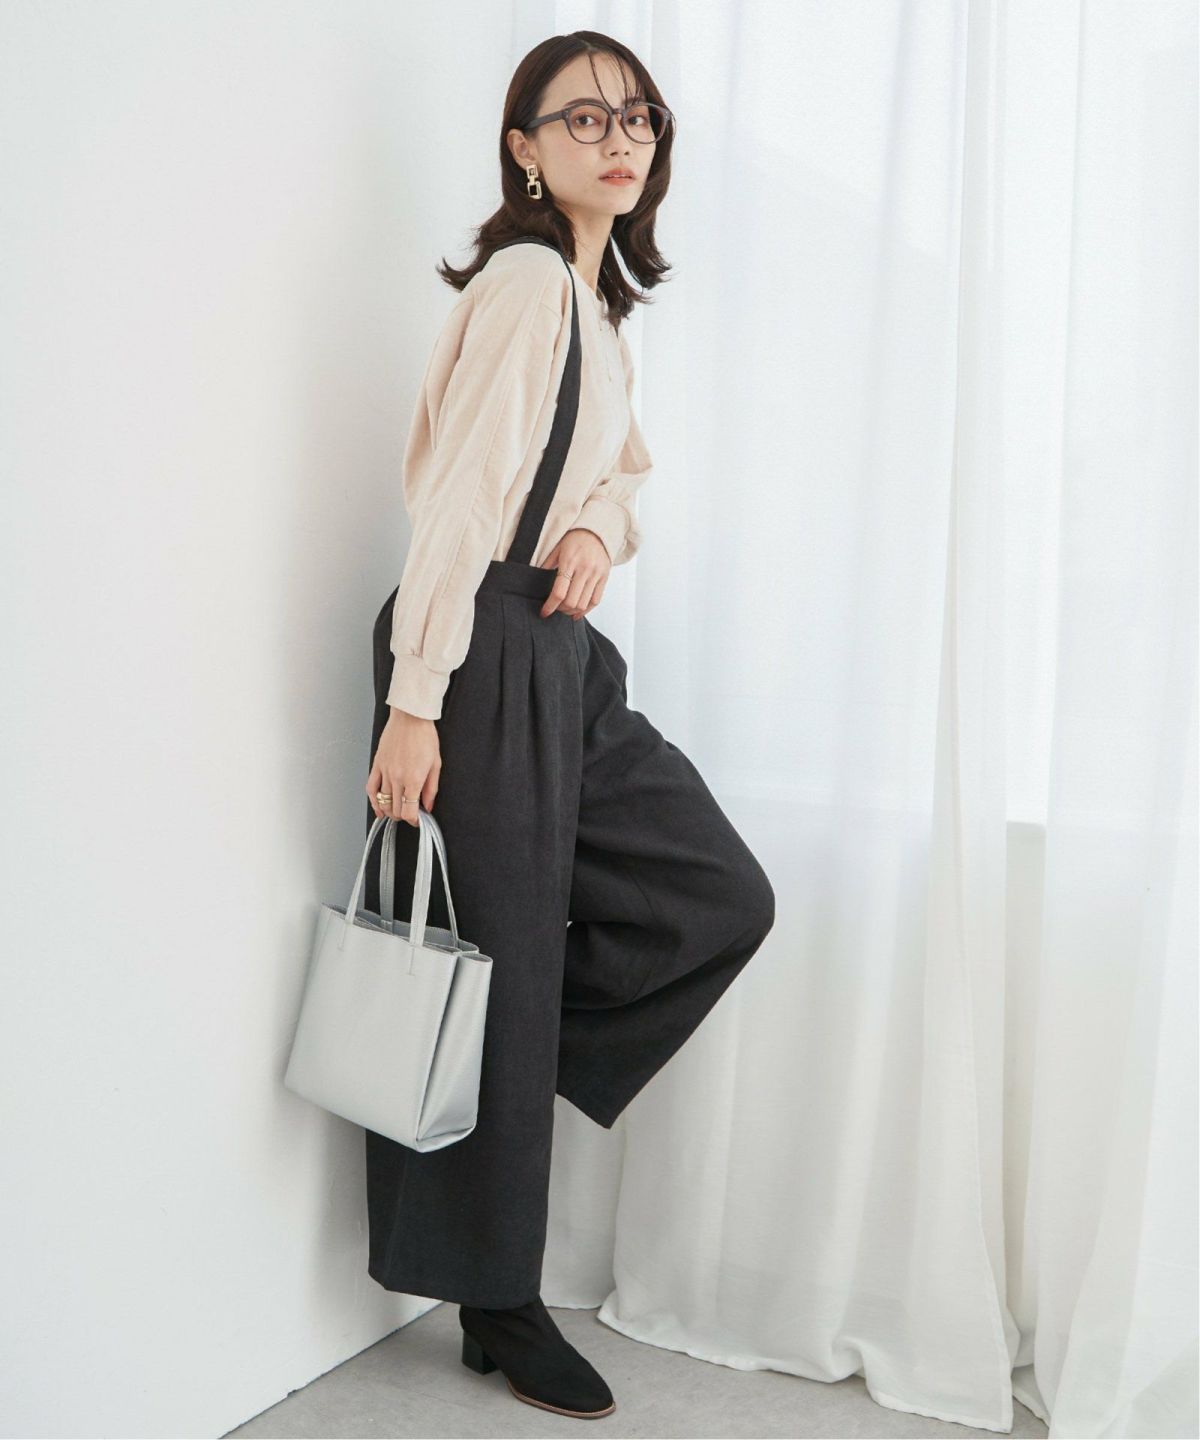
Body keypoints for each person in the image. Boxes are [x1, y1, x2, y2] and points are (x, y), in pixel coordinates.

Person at [361, 32, 776, 1422]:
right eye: (583, 116)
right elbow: (464, 500)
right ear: (524, 149)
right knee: (489, 958)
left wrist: (600, 524)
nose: (621, 137)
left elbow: (622, 472)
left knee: (714, 896)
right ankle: (496, 1301)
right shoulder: (530, 281)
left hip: (556, 649)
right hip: (475, 644)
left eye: (639, 117)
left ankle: (521, 1044)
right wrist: (416, 700)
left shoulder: (595, 309)